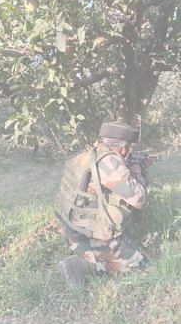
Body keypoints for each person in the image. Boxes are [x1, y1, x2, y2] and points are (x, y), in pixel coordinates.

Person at [55, 121, 148, 289]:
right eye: (129, 148)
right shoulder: (110, 163)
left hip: (72, 231)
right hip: (92, 234)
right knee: (140, 262)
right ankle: (83, 265)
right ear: (123, 148)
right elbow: (139, 199)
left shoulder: (88, 155)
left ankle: (87, 254)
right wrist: (138, 171)